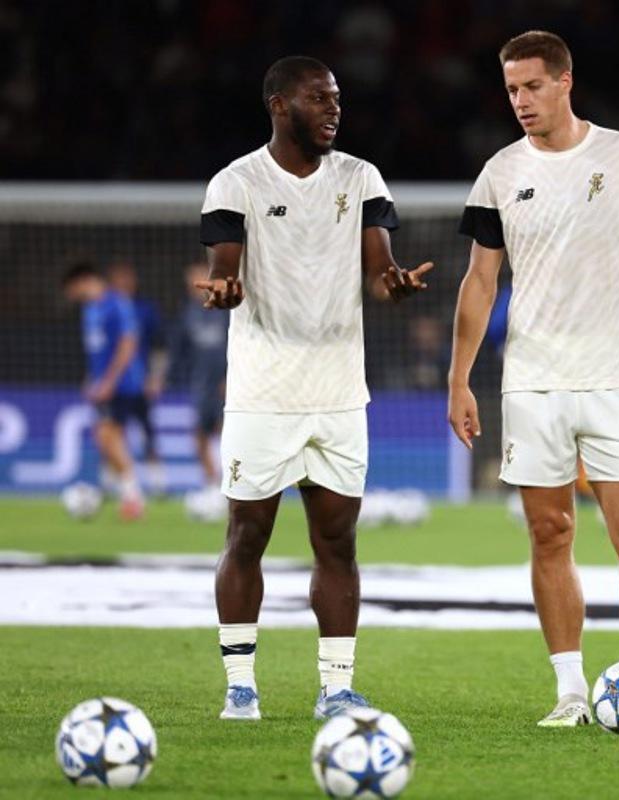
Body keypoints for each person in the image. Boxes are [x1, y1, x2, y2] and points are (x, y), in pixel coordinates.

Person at [448, 30, 619, 731]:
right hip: (532, 383)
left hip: (614, 380)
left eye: (532, 86)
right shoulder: (499, 173)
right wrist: (459, 378)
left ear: (565, 81)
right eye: (511, 89)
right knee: (550, 534)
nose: (521, 100)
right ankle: (570, 691)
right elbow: (480, 281)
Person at [198, 55, 433, 722]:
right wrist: (226, 287)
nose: (334, 109)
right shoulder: (235, 182)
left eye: (336, 99)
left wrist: (393, 283)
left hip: (338, 394)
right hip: (262, 393)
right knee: (247, 536)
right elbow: (224, 263)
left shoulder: (360, 178)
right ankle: (240, 685)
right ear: (279, 105)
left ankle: (335, 688)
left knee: (338, 543)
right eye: (319, 99)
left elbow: (380, 266)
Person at [61, 262, 146, 520]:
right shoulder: (90, 310)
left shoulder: (116, 303)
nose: (71, 296)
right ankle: (117, 492)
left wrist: (109, 380)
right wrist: (92, 378)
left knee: (107, 435)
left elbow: (128, 343)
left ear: (82, 281)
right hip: (104, 384)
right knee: (107, 439)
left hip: (123, 383)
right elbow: (98, 351)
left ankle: (133, 497)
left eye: (71, 289)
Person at [107, 259, 167, 495]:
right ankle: (113, 480)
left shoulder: (145, 310)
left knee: (146, 430)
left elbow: (160, 345)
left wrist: (156, 376)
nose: (125, 282)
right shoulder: (105, 309)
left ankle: (157, 481)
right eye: (119, 278)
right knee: (112, 431)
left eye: (128, 277)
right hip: (114, 384)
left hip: (139, 382)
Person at [171, 261, 230, 492]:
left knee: (227, 433)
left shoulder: (227, 310)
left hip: (226, 383)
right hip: (200, 384)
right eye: (191, 282)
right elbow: (179, 351)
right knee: (200, 435)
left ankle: (229, 483)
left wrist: (230, 377)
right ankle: (211, 483)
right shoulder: (187, 313)